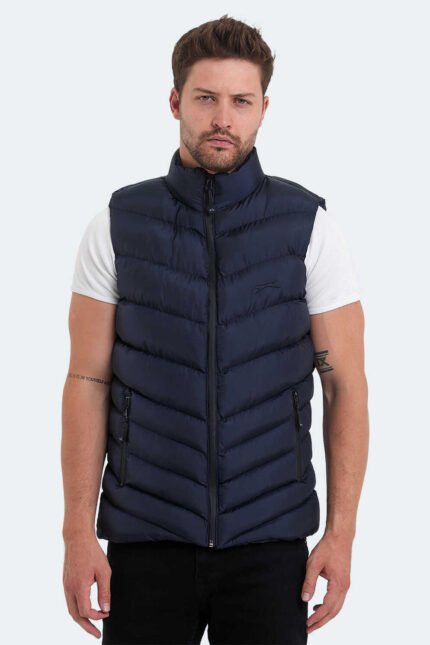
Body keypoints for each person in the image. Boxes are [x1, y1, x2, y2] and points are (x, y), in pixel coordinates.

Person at [61, 14, 369, 645]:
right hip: (145, 540)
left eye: (241, 102)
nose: (223, 118)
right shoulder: (118, 224)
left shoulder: (308, 227)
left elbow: (346, 387)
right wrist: (76, 535)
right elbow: (87, 381)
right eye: (206, 99)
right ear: (176, 101)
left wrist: (341, 535)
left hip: (271, 543)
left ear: (263, 110)